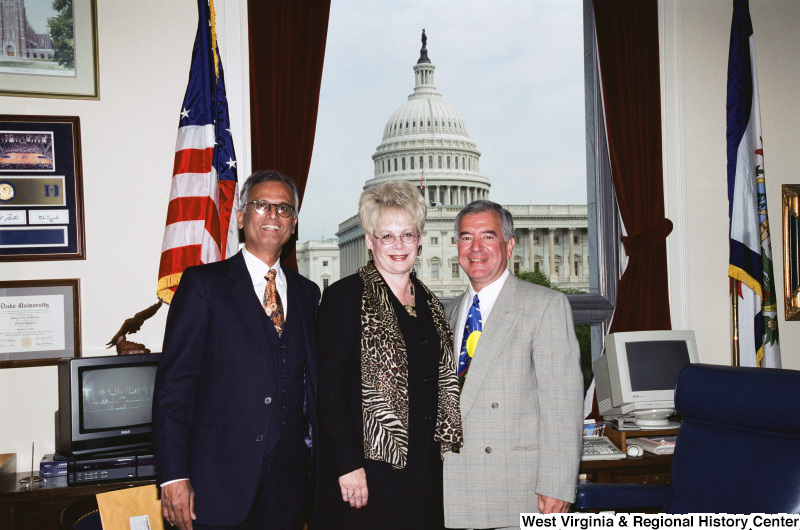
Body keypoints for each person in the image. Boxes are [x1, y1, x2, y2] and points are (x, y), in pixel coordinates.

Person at [153, 170, 320, 530]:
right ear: (242, 218)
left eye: (284, 208)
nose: (273, 215)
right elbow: (174, 389)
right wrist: (173, 476)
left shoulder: (308, 294)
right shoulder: (203, 285)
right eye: (262, 205)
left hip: (289, 488)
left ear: (293, 224)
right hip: (215, 484)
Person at [313, 180, 463, 529]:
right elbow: (328, 391)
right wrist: (347, 465)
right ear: (369, 240)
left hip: (423, 470)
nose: (399, 245)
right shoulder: (344, 298)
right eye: (387, 236)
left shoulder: (430, 304)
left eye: (408, 235)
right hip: (365, 473)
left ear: (420, 240)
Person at [443, 200, 583, 529]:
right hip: (453, 489)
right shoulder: (447, 313)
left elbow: (562, 405)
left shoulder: (545, 305)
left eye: (488, 236)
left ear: (508, 246)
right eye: (466, 238)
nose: (475, 248)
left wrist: (557, 485)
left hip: (517, 490)